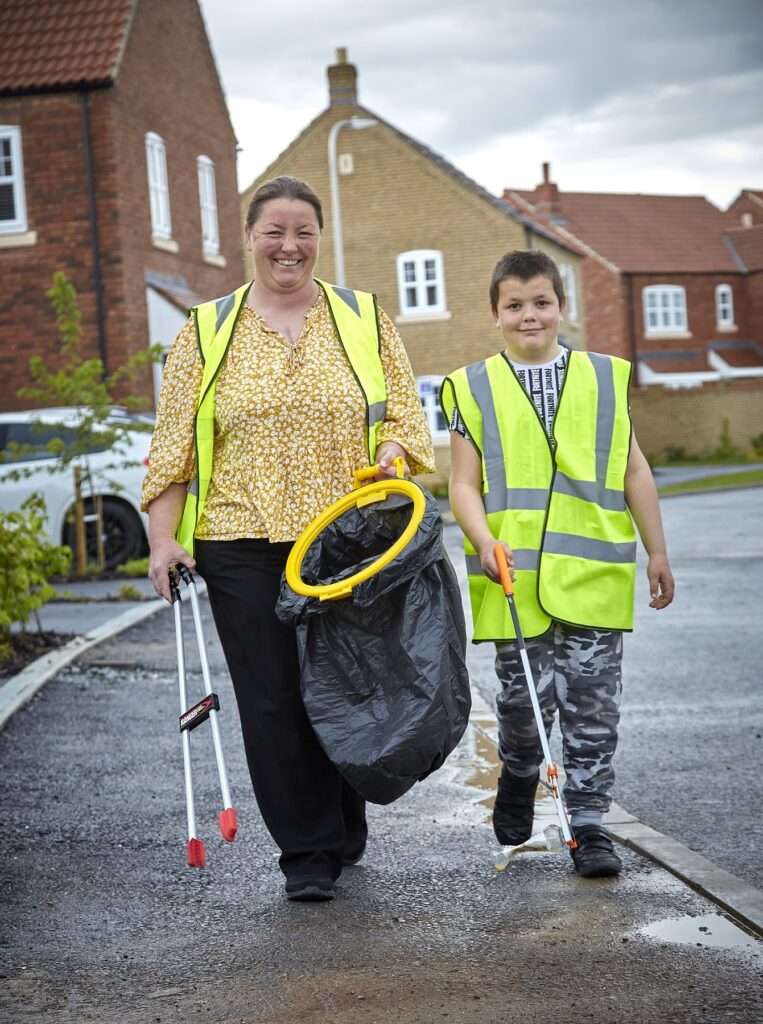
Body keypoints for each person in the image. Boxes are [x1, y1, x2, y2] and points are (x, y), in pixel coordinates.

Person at [142, 175, 435, 901]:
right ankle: (306, 853)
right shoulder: (205, 332)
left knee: (343, 682)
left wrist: (395, 454)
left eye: (303, 231)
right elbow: (172, 448)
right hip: (239, 538)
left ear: (318, 239)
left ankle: (342, 807)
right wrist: (161, 540)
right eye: (273, 230)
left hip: (344, 536)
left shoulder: (362, 319)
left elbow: (403, 417)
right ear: (247, 238)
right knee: (272, 697)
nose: (288, 245)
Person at [440, 249, 674, 878]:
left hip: (593, 577)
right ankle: (518, 773)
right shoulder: (471, 386)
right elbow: (462, 484)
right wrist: (484, 538)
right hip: (513, 581)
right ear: (495, 314)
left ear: (561, 307)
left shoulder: (605, 377)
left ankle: (588, 824)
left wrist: (657, 550)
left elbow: (631, 468)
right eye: (514, 305)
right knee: (524, 710)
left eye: (541, 302)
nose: (529, 315)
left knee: (594, 710)